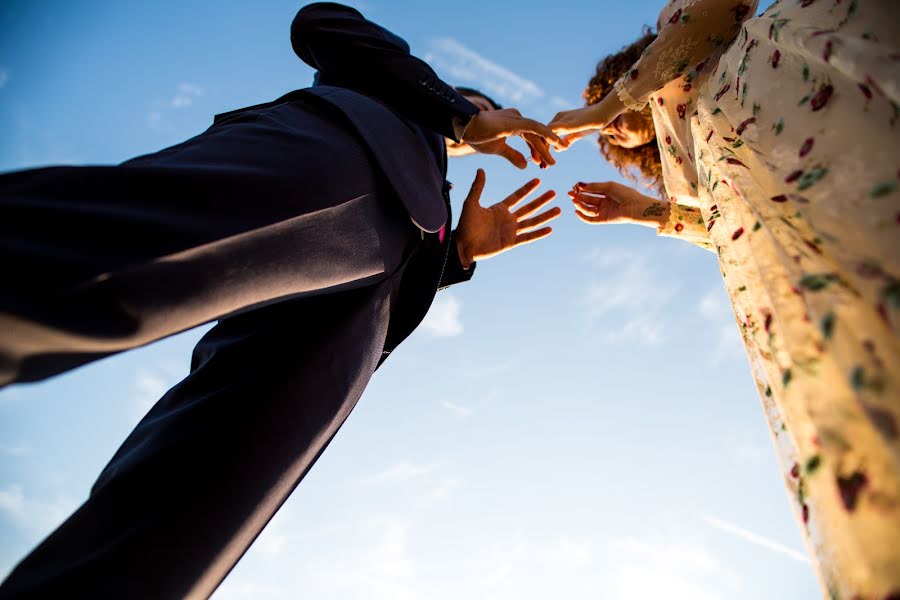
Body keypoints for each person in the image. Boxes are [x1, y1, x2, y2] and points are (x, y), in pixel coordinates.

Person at [0, 3, 562, 598]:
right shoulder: (385, 84)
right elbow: (320, 21)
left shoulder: (440, 192)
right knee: (113, 259)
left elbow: (412, 262)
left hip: (359, 318)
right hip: (336, 159)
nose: (490, 121)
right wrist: (459, 114)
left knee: (206, 500)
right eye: (483, 107)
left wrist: (460, 254)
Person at [549, 0, 900, 596]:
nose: (606, 121)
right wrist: (644, 212)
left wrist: (604, 106)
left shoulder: (674, 45)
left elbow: (715, 12)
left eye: (605, 89)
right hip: (789, 213)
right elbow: (731, 225)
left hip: (798, 88)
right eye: (604, 127)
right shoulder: (689, 154)